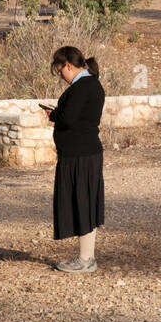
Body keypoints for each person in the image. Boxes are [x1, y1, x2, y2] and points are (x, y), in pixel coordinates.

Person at [40, 45, 105, 272]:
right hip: (85, 154)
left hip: (80, 155)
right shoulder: (92, 84)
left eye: (60, 70)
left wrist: (54, 115)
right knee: (86, 203)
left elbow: (69, 118)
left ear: (68, 65)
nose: (61, 75)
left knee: (82, 203)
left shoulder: (82, 87)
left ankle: (86, 260)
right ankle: (87, 257)